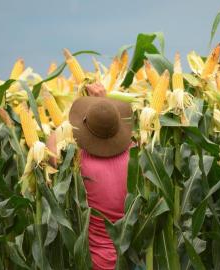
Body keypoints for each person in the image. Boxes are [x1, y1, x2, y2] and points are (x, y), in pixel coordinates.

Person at [48, 82, 132, 270]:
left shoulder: (78, 162)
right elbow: (112, 125)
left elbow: (51, 150)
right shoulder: (134, 155)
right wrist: (104, 107)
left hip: (95, 262)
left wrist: (71, 120)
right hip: (130, 257)